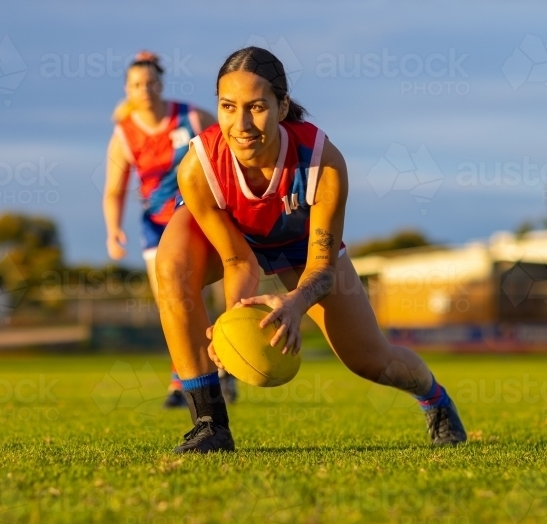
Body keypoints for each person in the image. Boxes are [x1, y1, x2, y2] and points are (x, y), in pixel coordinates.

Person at [154, 47, 467, 453]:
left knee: (371, 361)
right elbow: (236, 259)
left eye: (257, 107)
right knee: (171, 267)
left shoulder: (322, 164)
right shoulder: (199, 167)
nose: (241, 124)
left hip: (299, 248)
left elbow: (322, 269)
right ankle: (210, 424)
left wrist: (294, 303)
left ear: (282, 106)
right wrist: (235, 318)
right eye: (228, 107)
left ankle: (434, 397)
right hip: (238, 240)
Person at [102, 51, 236, 408]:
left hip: (199, 216)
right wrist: (113, 229)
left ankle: (224, 367)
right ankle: (183, 378)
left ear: (160, 84)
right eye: (135, 84)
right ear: (126, 90)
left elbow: (229, 146)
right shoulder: (124, 135)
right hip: (156, 226)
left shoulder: (191, 117)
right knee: (171, 301)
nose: (143, 89)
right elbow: (115, 190)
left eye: (149, 82)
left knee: (206, 296)